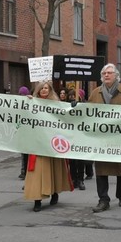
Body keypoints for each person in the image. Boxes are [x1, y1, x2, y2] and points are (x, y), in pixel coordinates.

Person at [24, 81, 74, 211]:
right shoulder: (33, 102)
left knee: (54, 169)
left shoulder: (57, 104)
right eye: (42, 88)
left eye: (46, 88)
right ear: (38, 91)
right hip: (38, 143)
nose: (44, 90)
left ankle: (55, 193)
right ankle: (37, 200)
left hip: (52, 142)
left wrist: (73, 106)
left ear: (50, 90)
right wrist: (28, 102)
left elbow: (66, 119)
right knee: (38, 171)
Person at [88, 63, 121, 212]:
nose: (106, 75)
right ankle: (103, 200)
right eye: (104, 73)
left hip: (119, 137)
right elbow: (87, 112)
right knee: (101, 169)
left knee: (120, 167)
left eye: (109, 73)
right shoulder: (95, 93)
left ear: (116, 76)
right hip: (101, 138)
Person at [17, 85, 31, 180]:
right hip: (22, 132)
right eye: (20, 94)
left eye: (23, 94)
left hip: (30, 133)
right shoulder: (17, 104)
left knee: (29, 155)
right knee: (24, 154)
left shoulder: (31, 103)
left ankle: (27, 172)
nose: (22, 96)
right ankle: (24, 171)